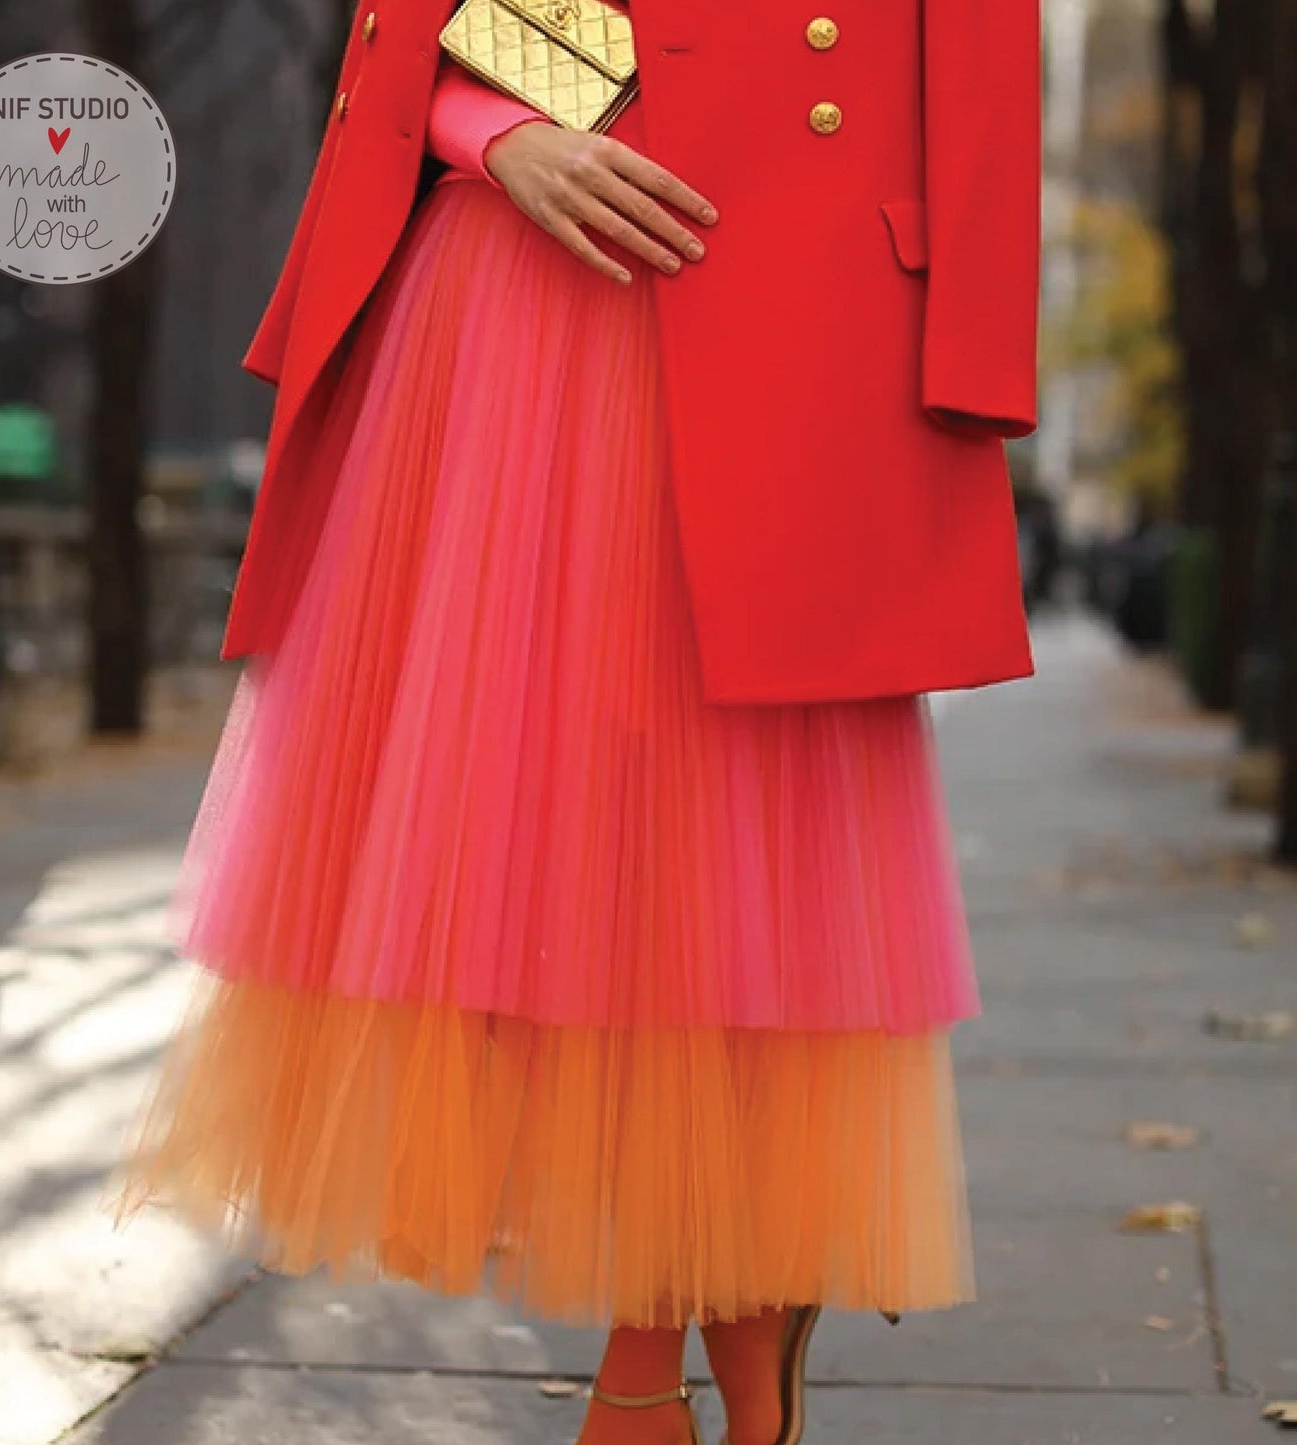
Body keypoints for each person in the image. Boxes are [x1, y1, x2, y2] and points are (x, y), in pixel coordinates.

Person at [111, 4, 1042, 1443]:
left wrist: (967, 353)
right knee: (543, 849)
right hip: (511, 302)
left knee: (745, 830)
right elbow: (401, 28)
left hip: (790, 281)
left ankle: (656, 1346)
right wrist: (497, 139)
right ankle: (714, 1305)